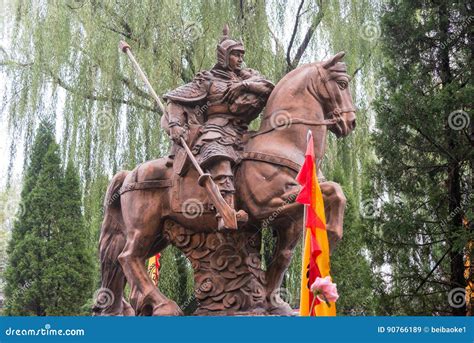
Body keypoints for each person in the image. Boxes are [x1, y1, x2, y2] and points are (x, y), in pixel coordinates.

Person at [163, 25, 274, 229]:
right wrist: (175, 124)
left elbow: (269, 87)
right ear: (224, 56)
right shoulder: (207, 79)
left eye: (242, 55)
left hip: (242, 131)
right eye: (235, 55)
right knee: (219, 153)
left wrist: (243, 86)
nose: (240, 59)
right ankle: (226, 212)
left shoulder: (248, 76)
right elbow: (175, 99)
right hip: (216, 129)